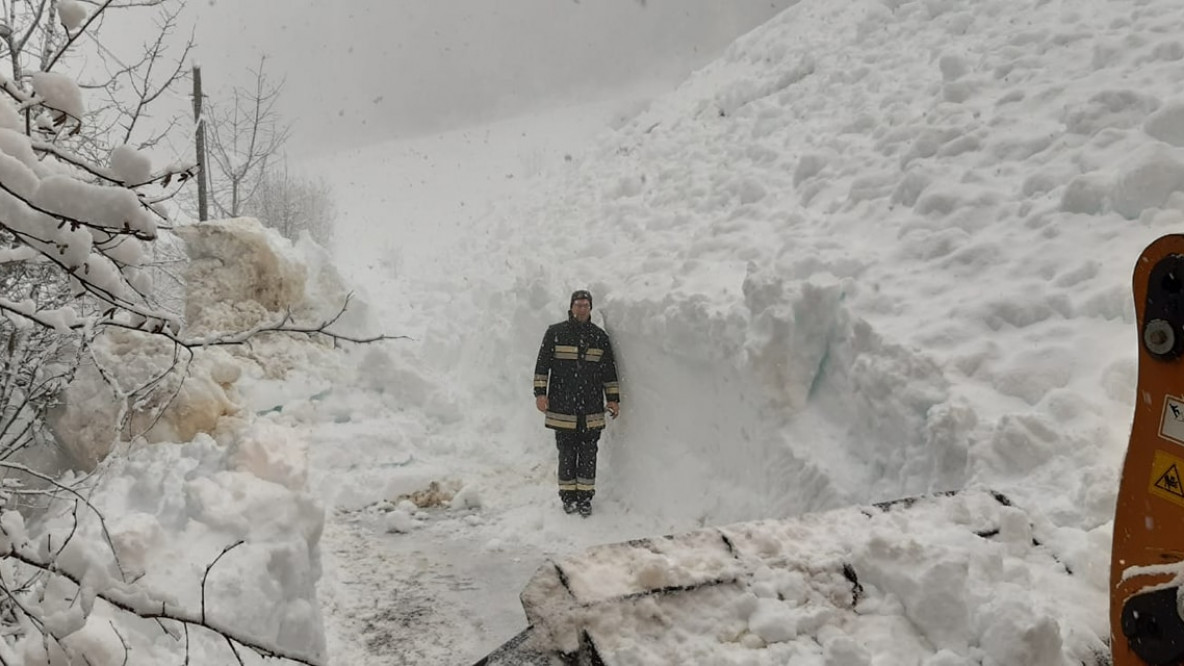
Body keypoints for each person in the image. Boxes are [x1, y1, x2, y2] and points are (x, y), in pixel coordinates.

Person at [533, 290, 620, 517]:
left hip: (590, 408)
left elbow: (609, 372)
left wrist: (613, 399)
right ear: (571, 307)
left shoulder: (600, 337)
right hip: (563, 408)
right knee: (567, 452)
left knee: (589, 453)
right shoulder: (555, 333)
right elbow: (542, 366)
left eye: (586, 305)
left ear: (590, 308)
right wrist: (540, 394)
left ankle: (585, 498)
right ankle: (568, 497)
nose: (582, 309)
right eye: (578, 305)